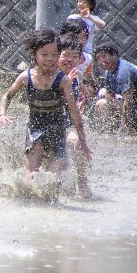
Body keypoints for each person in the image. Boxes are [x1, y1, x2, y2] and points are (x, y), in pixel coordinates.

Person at [0, 28, 91, 183]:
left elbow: (75, 114)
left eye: (54, 54)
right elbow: (7, 95)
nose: (50, 59)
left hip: (58, 131)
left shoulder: (63, 80)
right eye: (44, 54)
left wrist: (83, 142)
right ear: (34, 53)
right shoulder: (25, 77)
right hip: (35, 131)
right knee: (31, 176)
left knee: (55, 178)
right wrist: (2, 114)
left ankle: (79, 184)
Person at [57, 34, 92, 198]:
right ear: (57, 55)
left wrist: (84, 92)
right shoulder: (51, 74)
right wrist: (66, 85)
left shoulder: (76, 75)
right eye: (65, 54)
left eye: (74, 56)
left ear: (80, 59)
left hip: (68, 124)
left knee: (75, 142)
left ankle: (82, 181)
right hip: (50, 123)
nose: (69, 59)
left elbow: (85, 96)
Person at [92, 41, 137, 134]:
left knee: (102, 104)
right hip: (134, 107)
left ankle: (126, 130)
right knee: (103, 103)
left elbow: (128, 101)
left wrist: (123, 127)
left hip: (135, 108)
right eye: (98, 58)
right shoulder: (109, 72)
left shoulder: (123, 70)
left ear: (115, 55)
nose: (102, 60)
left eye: (104, 56)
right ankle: (104, 132)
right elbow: (109, 97)